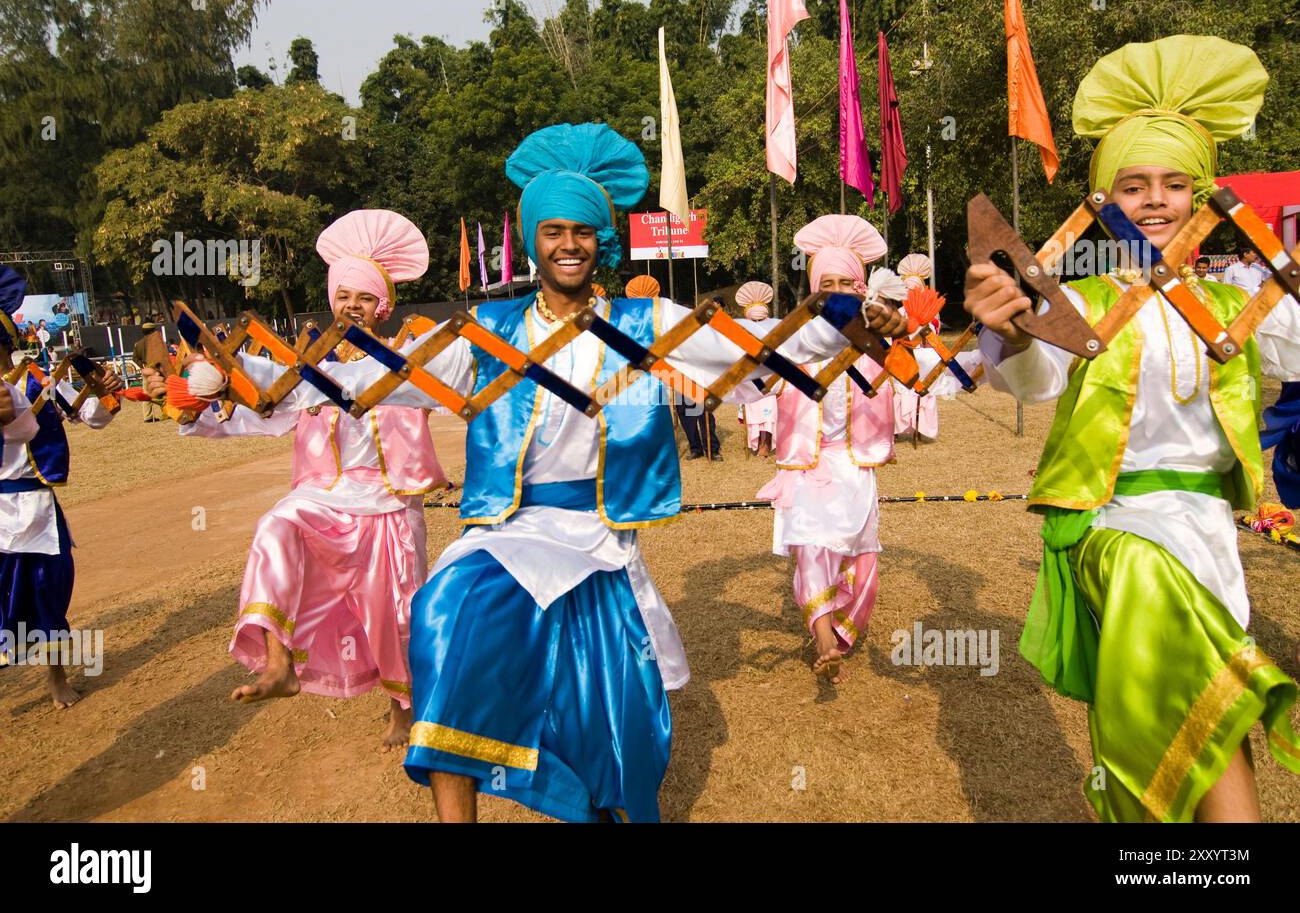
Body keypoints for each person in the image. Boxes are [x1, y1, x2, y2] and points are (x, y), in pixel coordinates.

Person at [197, 123, 907, 822]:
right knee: (445, 612)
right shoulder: (488, 332)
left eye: (583, 231)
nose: (569, 243)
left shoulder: (646, 321)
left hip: (601, 536)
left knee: (619, 726)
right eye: (553, 229)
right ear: (533, 237)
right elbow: (362, 377)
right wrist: (237, 375)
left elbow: (750, 349)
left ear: (602, 239)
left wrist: (838, 317)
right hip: (512, 528)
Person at [964, 35, 1300, 822]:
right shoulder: (1084, 299)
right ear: (1107, 202)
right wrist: (1009, 329)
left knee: (1205, 712)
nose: (1155, 199)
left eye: (1175, 184)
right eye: (1135, 184)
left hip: (1211, 537)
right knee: (1171, 628)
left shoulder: (1244, 303)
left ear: (1205, 196)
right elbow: (1034, 374)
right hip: (1117, 528)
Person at [144, 210, 448, 752]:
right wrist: (204, 404)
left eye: (363, 297)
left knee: (394, 617)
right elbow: (260, 410)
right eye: (343, 296)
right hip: (325, 500)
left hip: (389, 507)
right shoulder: (309, 369)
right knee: (277, 524)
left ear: (384, 304)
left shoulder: (408, 362)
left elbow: (453, 391)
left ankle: (404, 709)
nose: (351, 306)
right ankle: (280, 663)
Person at [757, 216, 895, 684]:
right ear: (813, 289)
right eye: (826, 283)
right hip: (809, 466)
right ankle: (821, 636)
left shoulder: (880, 343)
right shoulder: (793, 341)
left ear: (861, 288)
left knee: (861, 556)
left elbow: (934, 369)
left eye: (845, 282)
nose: (836, 290)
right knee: (813, 547)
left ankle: (842, 628)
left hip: (856, 467)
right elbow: (757, 379)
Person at [0, 267, 120, 707]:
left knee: (49, 589)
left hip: (37, 507)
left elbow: (89, 414)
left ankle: (55, 676)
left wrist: (105, 395)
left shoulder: (39, 379)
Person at [734, 282, 777, 457]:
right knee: (753, 412)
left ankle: (765, 444)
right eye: (754, 321)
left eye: (761, 320)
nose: (758, 323)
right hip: (750, 379)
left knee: (768, 413)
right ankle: (757, 442)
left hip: (769, 378)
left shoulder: (774, 333)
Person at [131, 323, 165, 422]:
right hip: (157, 369)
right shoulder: (156, 342)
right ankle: (165, 412)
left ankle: (148, 416)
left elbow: (134, 358)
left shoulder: (138, 344)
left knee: (146, 392)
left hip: (146, 369)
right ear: (152, 331)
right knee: (162, 390)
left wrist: (142, 365)